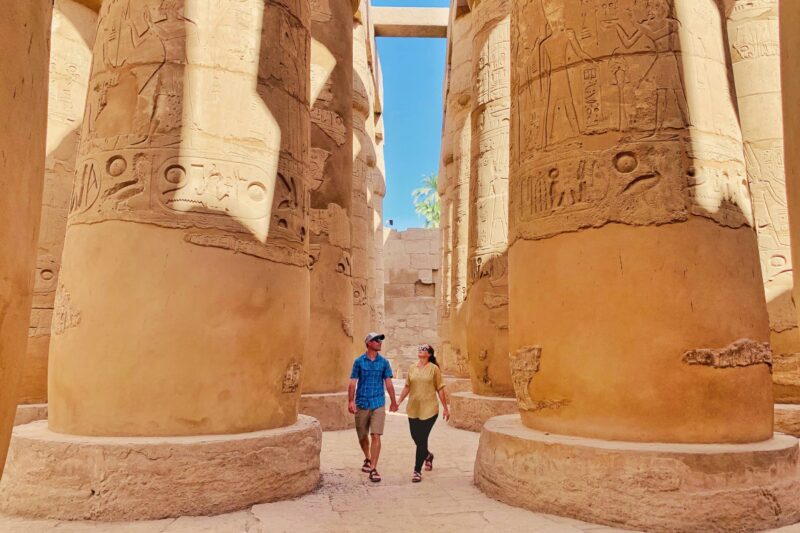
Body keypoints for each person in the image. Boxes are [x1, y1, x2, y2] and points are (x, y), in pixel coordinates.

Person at [348, 332, 398, 483]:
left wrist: (394, 401)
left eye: (380, 340)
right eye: (376, 340)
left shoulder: (383, 363)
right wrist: (350, 401)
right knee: (362, 436)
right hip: (362, 402)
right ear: (368, 343)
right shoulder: (358, 362)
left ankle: (374, 468)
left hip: (378, 403)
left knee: (376, 435)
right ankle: (367, 458)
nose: (379, 342)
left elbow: (388, 382)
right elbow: (352, 382)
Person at [397, 343, 449, 483]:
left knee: (422, 439)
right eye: (420, 348)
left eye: (425, 348)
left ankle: (416, 471)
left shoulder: (434, 369)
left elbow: (440, 388)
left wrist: (445, 408)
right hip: (413, 408)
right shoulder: (412, 368)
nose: (421, 349)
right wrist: (398, 401)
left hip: (430, 409)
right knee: (416, 437)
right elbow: (407, 386)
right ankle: (428, 455)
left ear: (430, 354)